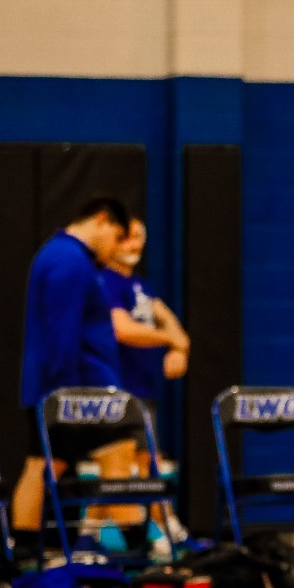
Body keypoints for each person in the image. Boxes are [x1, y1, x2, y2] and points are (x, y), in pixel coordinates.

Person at [12, 197, 133, 541]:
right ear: (102, 221)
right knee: (118, 459)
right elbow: (61, 332)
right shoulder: (70, 261)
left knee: (42, 465)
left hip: (61, 388)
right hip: (81, 392)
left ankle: (23, 554)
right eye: (117, 238)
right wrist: (68, 398)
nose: (115, 250)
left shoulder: (62, 256)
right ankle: (141, 553)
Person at [95, 219, 191, 532]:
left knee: (146, 459)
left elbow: (169, 321)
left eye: (138, 237)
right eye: (125, 238)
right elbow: (123, 330)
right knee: (125, 462)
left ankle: (91, 533)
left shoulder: (140, 285)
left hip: (143, 386)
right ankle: (162, 529)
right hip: (115, 388)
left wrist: (180, 348)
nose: (133, 245)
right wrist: (171, 340)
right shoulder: (105, 281)